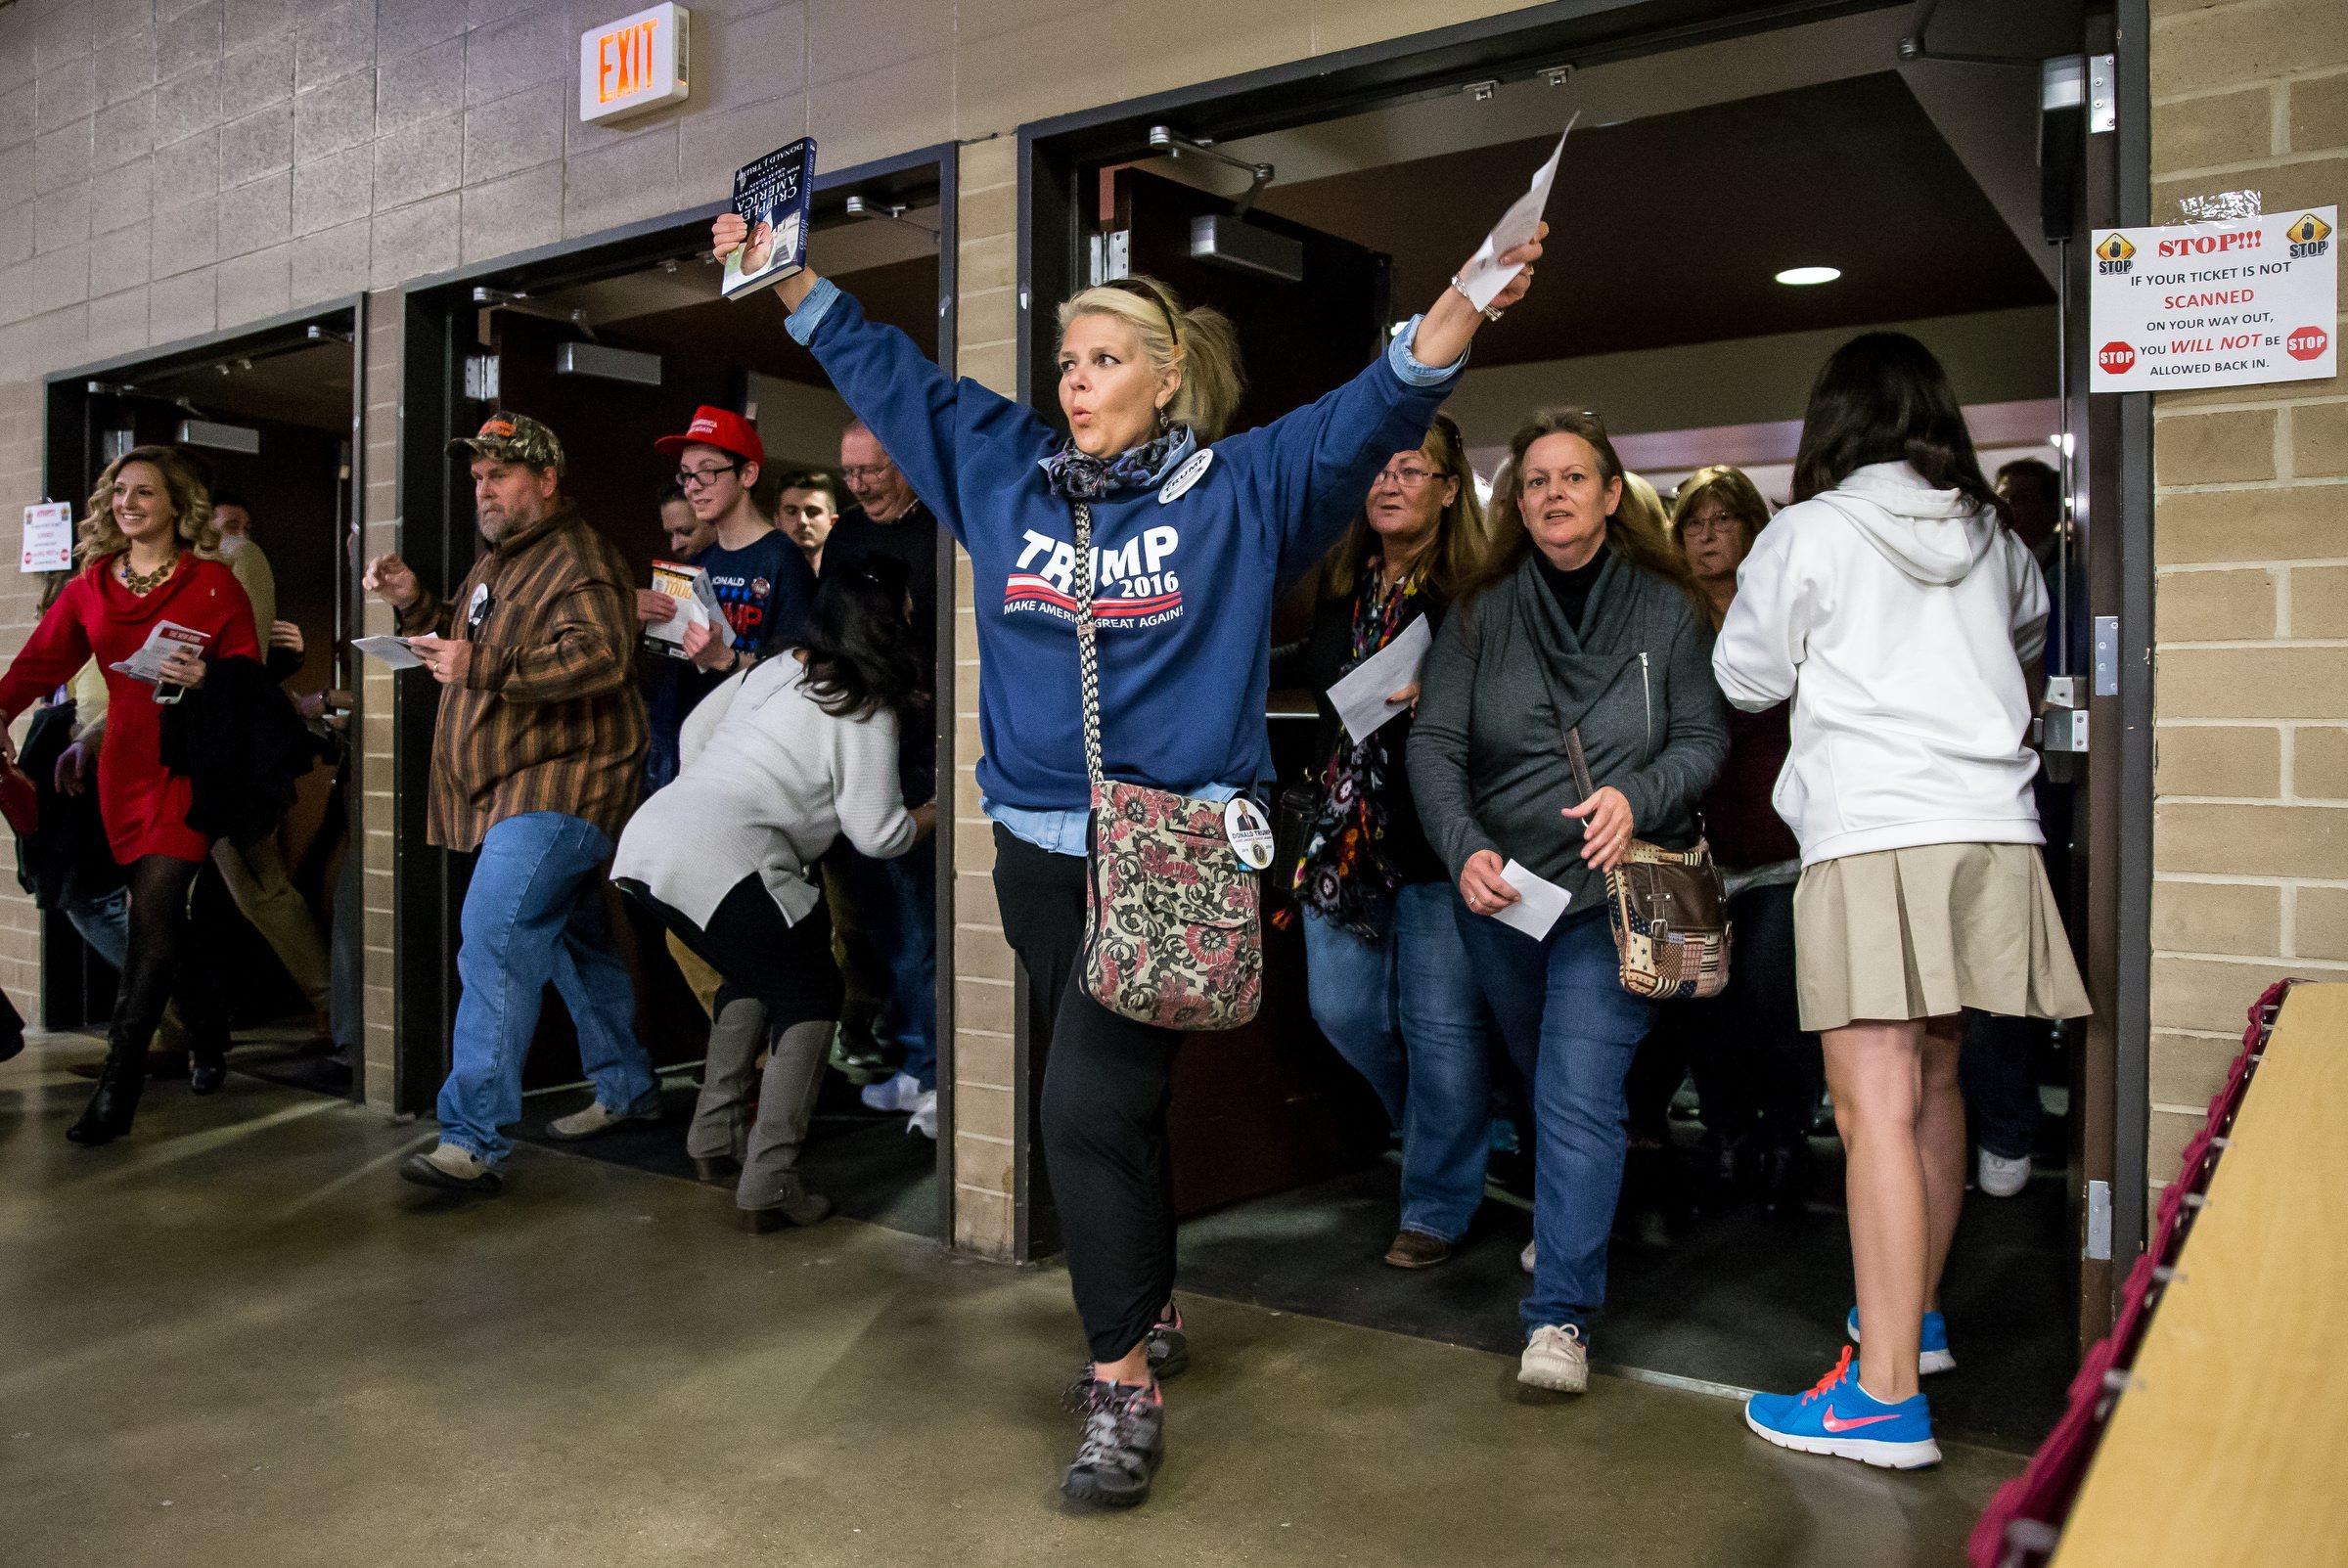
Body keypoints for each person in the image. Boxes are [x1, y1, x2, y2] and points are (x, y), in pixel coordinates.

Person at [714, 203, 1543, 1507]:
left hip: (1164, 862)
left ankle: (1121, 1383)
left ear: (1166, 381)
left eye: (1102, 360)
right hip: (1036, 859)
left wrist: (1472, 292)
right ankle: (1148, 1299)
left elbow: (1376, 405)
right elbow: (887, 371)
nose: (1075, 382)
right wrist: (787, 274)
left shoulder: (1241, 490)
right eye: (1066, 365)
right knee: (1119, 1104)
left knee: (1081, 1109)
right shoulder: (1003, 468)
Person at [1719, 334, 2091, 1469]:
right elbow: (2027, 640)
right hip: (1993, 831)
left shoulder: (1809, 533)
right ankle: (1911, 1324)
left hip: (1875, 830)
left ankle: (1880, 1399)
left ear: (1833, 422)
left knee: (1873, 1098)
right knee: (1935, 1076)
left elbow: (1747, 676)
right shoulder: (1992, 532)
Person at [1409, 408, 1727, 1399]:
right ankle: (1566, 1222)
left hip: (1615, 893)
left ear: (1609, 491)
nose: (1552, 493)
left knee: (1577, 1086)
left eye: (1572, 476)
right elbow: (1435, 747)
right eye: (1534, 479)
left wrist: (1640, 797)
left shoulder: (1667, 607)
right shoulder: (1477, 609)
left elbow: (1703, 736)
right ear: (1517, 502)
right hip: (1505, 894)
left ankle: (1561, 1319)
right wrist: (1464, 848)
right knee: (1542, 1076)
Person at [364, 412, 662, 1195]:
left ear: (546, 479)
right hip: (506, 790)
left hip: (564, 784)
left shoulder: (581, 556)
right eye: (477, 476)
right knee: (575, 941)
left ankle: (471, 1137)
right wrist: (414, 602)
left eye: (500, 474)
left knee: (494, 936)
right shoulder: (501, 561)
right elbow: (457, 642)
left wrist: (481, 661)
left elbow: (600, 655)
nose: (483, 488)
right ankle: (628, 1087)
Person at [613, 558, 936, 1229]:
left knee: (753, 976)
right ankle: (771, 1177)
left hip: (650, 841)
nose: (911, 625)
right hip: (725, 857)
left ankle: (712, 1138)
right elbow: (877, 833)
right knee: (813, 994)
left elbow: (698, 735)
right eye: (904, 615)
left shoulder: (780, 665)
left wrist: (728, 792)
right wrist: (939, 808)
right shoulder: (863, 703)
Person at [1271, 412, 1501, 1270]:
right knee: (1344, 1011)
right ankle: (1444, 1129)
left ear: (1449, 489)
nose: (1392, 482)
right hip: (1344, 849)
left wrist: (1445, 696)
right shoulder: (1346, 590)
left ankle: (1438, 1200)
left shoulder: (1475, 599)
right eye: (1381, 468)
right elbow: (1308, 665)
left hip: (1441, 843)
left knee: (1441, 1026)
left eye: (1414, 469)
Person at [0, 446, 261, 1142]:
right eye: (119, 491)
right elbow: (39, 662)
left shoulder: (214, 584)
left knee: (152, 912)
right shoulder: (90, 585)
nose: (127, 502)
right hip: (123, 770)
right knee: (162, 922)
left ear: (178, 504)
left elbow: (250, 681)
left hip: (186, 768)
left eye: (144, 491)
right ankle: (209, 1030)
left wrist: (208, 677)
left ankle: (119, 1087)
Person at [1646, 464, 1819, 1211]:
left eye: (1723, 520)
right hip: (1693, 851)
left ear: (1755, 528)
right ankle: (1724, 1134)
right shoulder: (1664, 620)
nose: (1707, 534)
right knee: (1703, 1003)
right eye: (1693, 522)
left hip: (1779, 843)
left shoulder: (1785, 613)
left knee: (1774, 996)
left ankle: (1786, 1137)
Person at [824, 420, 943, 1133]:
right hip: (856, 741)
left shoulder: (938, 529)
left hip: (923, 745)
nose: (860, 484)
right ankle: (909, 1061)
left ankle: (935, 1074)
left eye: (872, 470)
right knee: (879, 924)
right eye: (850, 473)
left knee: (921, 925)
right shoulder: (842, 537)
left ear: (902, 465)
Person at [201, 493, 336, 1034]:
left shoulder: (244, 565)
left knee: (258, 885)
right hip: (190, 749)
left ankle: (329, 1005)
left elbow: (247, 664)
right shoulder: (185, 576)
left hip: (227, 756)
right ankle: (171, 1027)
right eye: (230, 524)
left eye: (247, 524)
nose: (242, 534)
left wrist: (288, 658)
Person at [778, 470, 842, 575]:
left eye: (813, 512)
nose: (802, 521)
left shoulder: (849, 584)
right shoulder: (759, 576)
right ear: (777, 521)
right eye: (791, 512)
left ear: (833, 522)